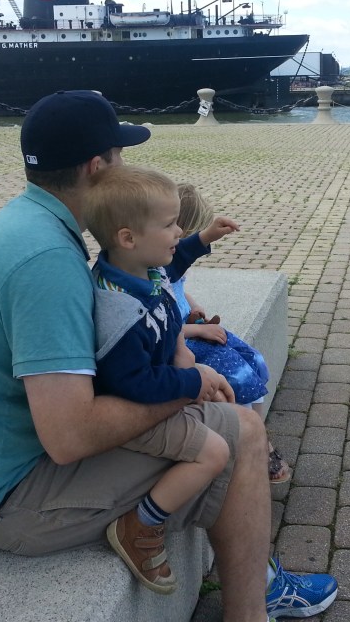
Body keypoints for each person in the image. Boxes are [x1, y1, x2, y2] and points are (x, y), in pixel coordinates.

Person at [0, 89, 337, 621]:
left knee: (208, 416)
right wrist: (190, 385)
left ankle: (257, 584)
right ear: (97, 167)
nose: (128, 166)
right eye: (121, 156)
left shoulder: (27, 225)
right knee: (242, 433)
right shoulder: (46, 262)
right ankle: (252, 609)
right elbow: (70, 437)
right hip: (5, 502)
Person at [81, 165, 238, 594]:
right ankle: (140, 526)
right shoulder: (119, 314)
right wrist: (191, 383)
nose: (179, 231)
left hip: (162, 384)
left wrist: (203, 240)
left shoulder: (135, 269)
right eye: (169, 225)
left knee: (232, 413)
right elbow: (135, 384)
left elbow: (172, 262)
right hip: (134, 412)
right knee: (213, 454)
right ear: (128, 237)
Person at [175, 182, 292, 485]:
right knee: (236, 376)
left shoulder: (168, 263)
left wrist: (196, 309)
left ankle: (255, 433)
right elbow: (156, 323)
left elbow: (179, 291)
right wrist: (197, 328)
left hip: (190, 329)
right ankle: (255, 446)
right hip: (176, 341)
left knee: (253, 360)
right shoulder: (149, 268)